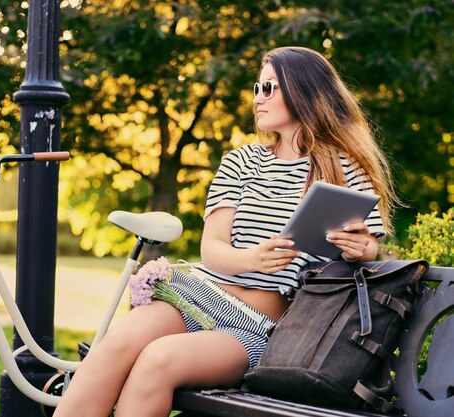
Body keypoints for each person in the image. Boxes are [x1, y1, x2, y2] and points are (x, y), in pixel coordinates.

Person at [52, 46, 396, 417]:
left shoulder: (344, 170)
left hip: (263, 327)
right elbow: (212, 247)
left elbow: (367, 249)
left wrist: (360, 248)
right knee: (114, 347)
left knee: (157, 361)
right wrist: (253, 258)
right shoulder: (241, 161)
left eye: (269, 89)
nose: (258, 99)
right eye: (257, 89)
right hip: (198, 294)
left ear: (303, 92)